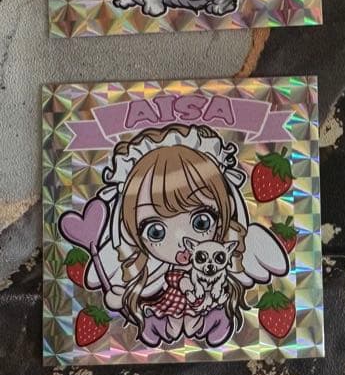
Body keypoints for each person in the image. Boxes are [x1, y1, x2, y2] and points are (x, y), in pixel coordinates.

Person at [58, 124, 288, 348]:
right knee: (167, 317)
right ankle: (162, 325)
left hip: (207, 308)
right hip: (165, 309)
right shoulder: (145, 268)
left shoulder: (227, 249)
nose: (180, 241)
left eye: (201, 222)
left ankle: (208, 321)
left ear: (226, 209)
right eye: (155, 231)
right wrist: (120, 296)